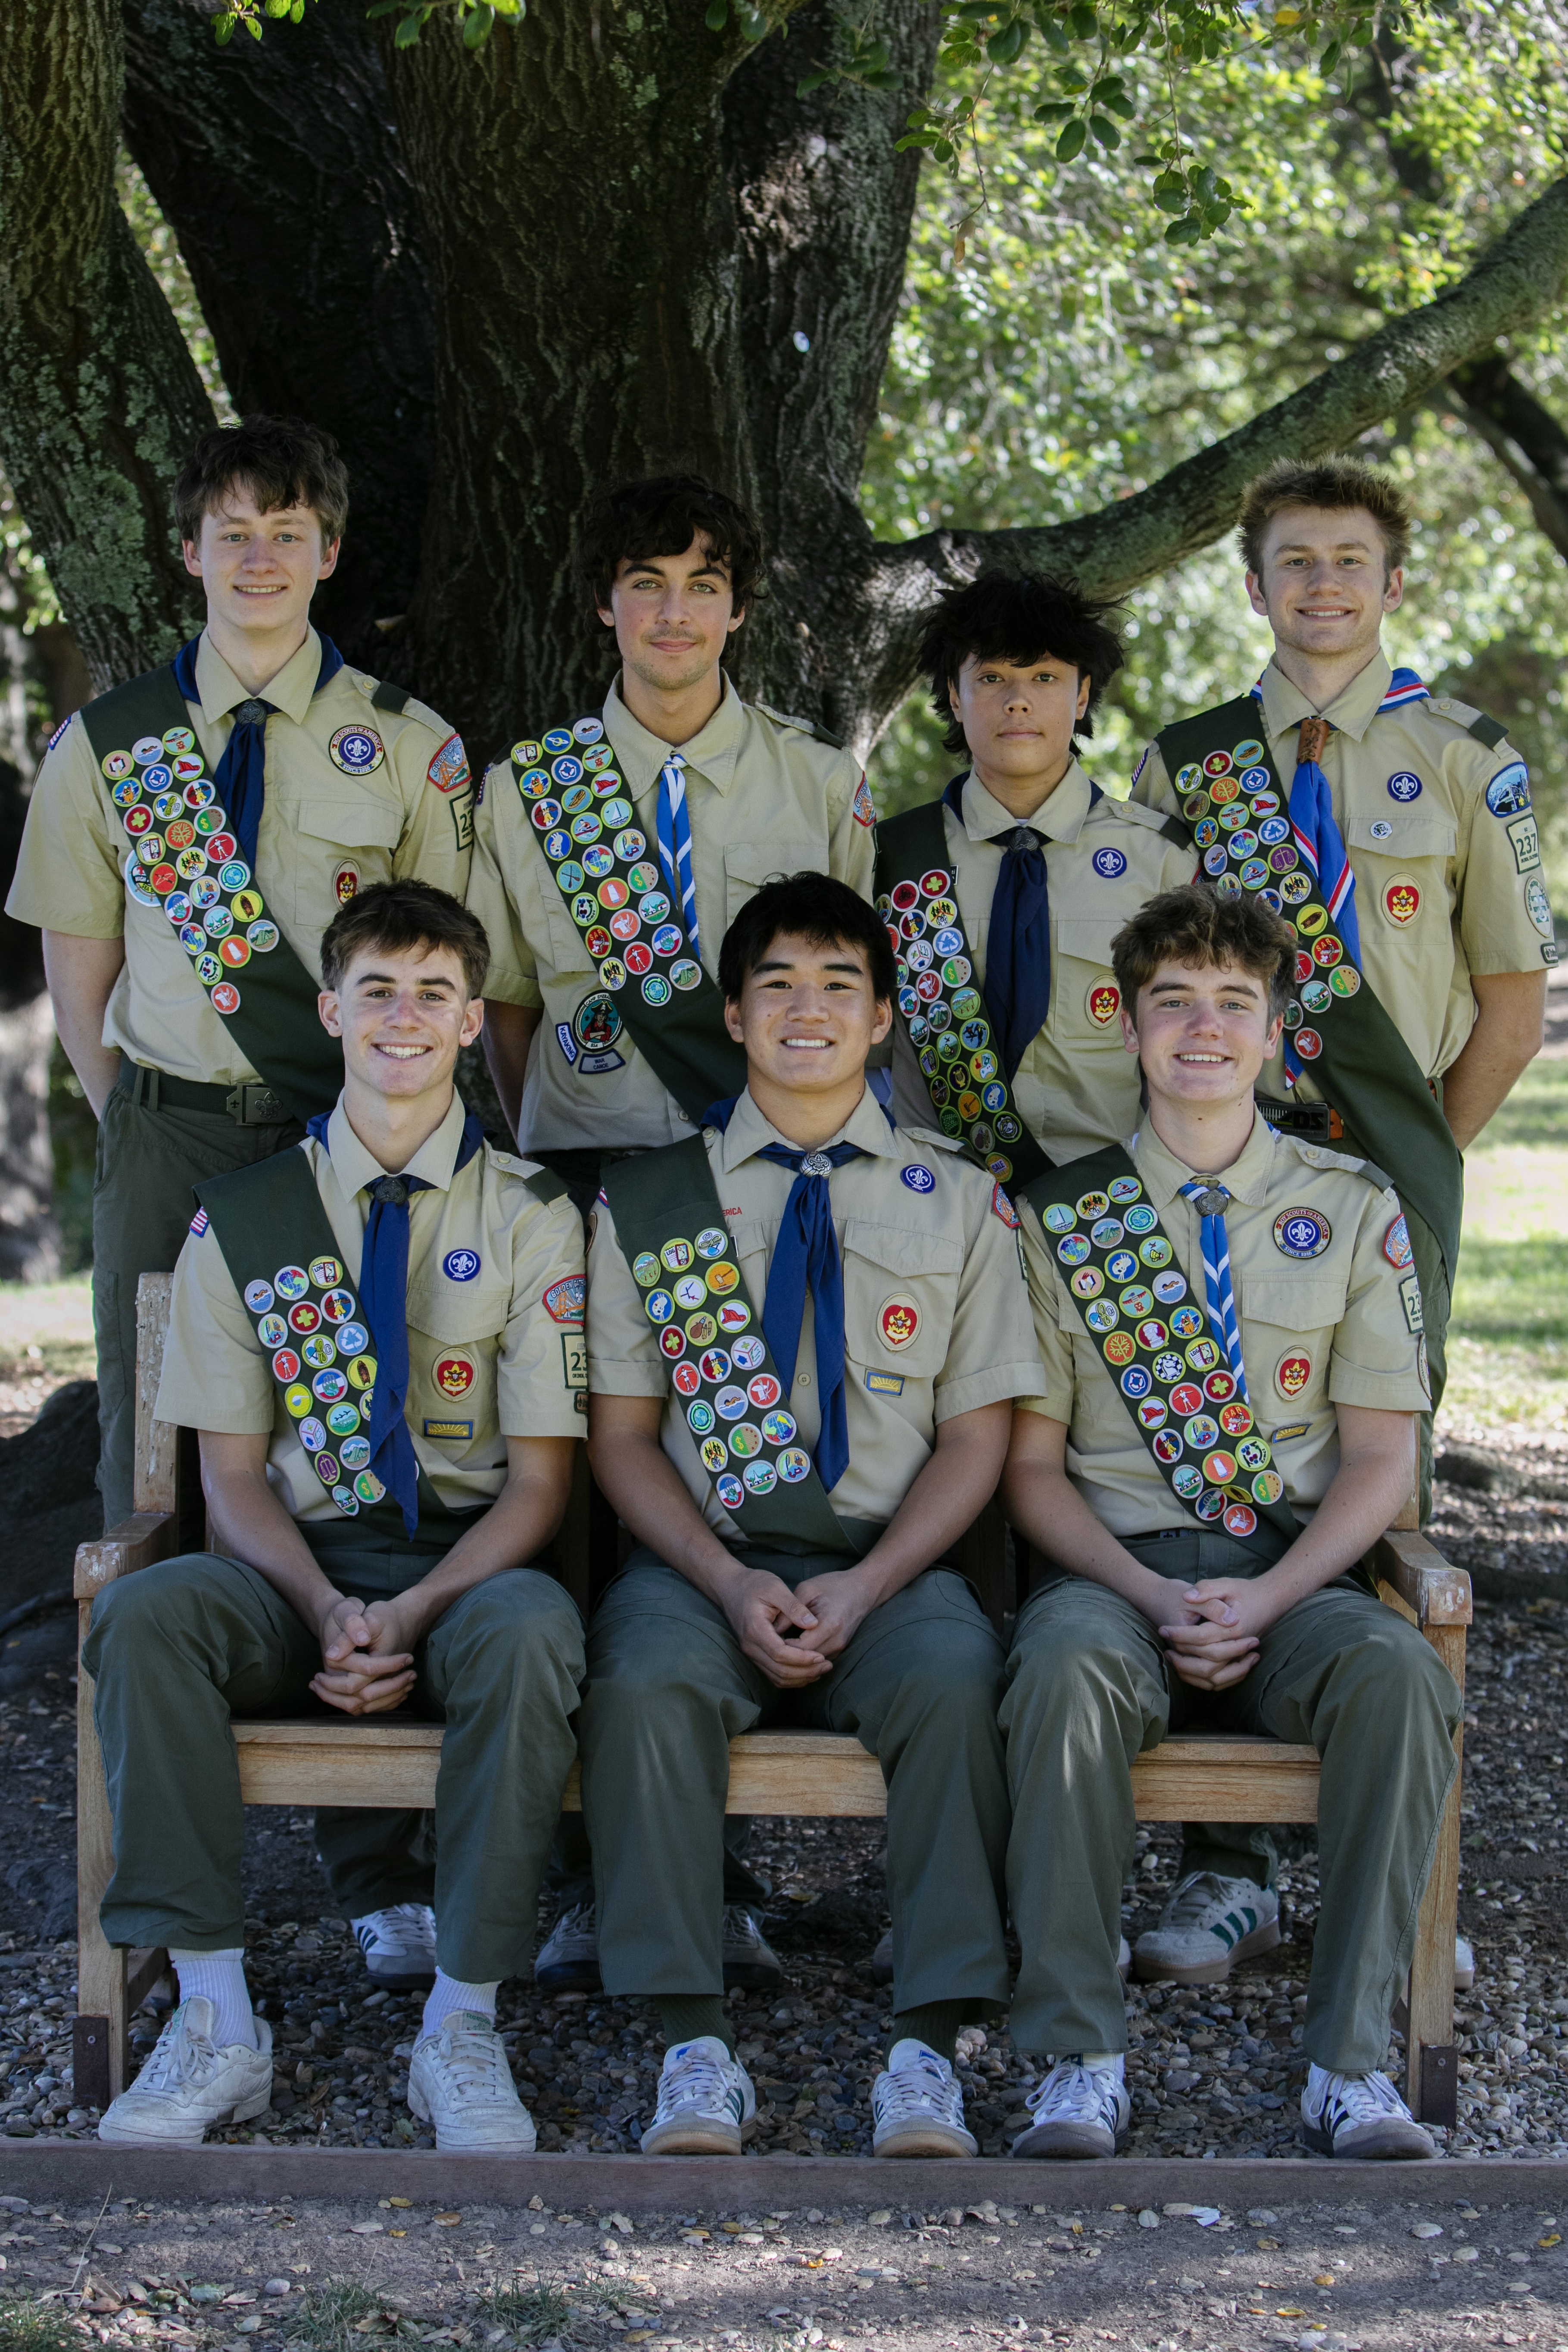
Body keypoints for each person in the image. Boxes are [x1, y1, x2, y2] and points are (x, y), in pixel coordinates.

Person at [6, 415, 475, 1993]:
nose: (259, 555)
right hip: (179, 1139)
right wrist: (145, 1110)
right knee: (159, 1465)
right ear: (187, 552)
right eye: (230, 529)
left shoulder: (407, 743)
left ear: (330, 554)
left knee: (356, 1445)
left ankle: (377, 1862)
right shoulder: (113, 747)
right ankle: (159, 1869)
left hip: (363, 1136)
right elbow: (81, 967)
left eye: (288, 531)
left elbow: (444, 955)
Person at [1127, 456, 1546, 1984]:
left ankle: (1369, 1857)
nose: (1321, 585)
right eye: (1292, 561)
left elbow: (1508, 999)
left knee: (1374, 1470)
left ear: (1389, 579)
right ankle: (1231, 1866)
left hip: (1383, 1154)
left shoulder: (1463, 758)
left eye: (1349, 560)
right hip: (1210, 1159)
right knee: (1218, 1463)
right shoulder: (1193, 771)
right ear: (1251, 584)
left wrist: (1404, 1161)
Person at [84, 881, 586, 2152]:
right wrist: (323, 1606)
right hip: (287, 1572)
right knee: (146, 1612)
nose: (404, 1018)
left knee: (535, 1634)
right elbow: (231, 1478)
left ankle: (462, 2025)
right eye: (378, 991)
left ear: (475, 1020)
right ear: (332, 1011)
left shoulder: (535, 1220)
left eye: (433, 994)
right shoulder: (248, 1219)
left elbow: (537, 1483)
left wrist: (412, 1608)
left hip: (466, 1574)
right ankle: (212, 2020)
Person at [468, 473, 877, 1993]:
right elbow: (506, 1000)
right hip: (586, 1190)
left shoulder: (819, 779)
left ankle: (727, 1866)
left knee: (738, 1500)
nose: (674, 609)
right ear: (603, 600)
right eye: (645, 579)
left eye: (704, 581)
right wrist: (547, 1159)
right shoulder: (534, 785)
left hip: (762, 1197)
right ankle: (593, 1873)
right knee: (575, 1513)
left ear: (743, 605)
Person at [578, 872, 1044, 2158]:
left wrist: (879, 1580)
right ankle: (691, 2039)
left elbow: (979, 1435)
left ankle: (927, 2046)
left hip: (882, 1567)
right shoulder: (651, 1198)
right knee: (642, 1682)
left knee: (959, 1675)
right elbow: (621, 1439)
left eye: (841, 982)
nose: (807, 1007)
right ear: (731, 1014)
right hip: (703, 1566)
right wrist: (725, 1585)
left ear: (886, 1016)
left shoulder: (961, 1202)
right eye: (776, 980)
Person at [999, 884, 1459, 2162]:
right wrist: (1153, 1601)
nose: (1203, 1029)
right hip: (1117, 1573)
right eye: (1173, 1004)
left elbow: (1382, 1459)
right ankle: (1077, 2059)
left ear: (1274, 1034)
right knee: (1062, 1670)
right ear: (1131, 1028)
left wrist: (1269, 1597)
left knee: (1401, 1679)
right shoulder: (1059, 1219)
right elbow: (1034, 1474)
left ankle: (1350, 2068)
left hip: (1296, 1575)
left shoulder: (1356, 1204)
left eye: (1233, 1006)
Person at [877, 571, 1195, 1188]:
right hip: (932, 1205)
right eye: (992, 678)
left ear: (1081, 697)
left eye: (1044, 678)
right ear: (954, 692)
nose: (1017, 701)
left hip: (1110, 1220)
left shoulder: (1163, 863)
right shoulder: (891, 861)